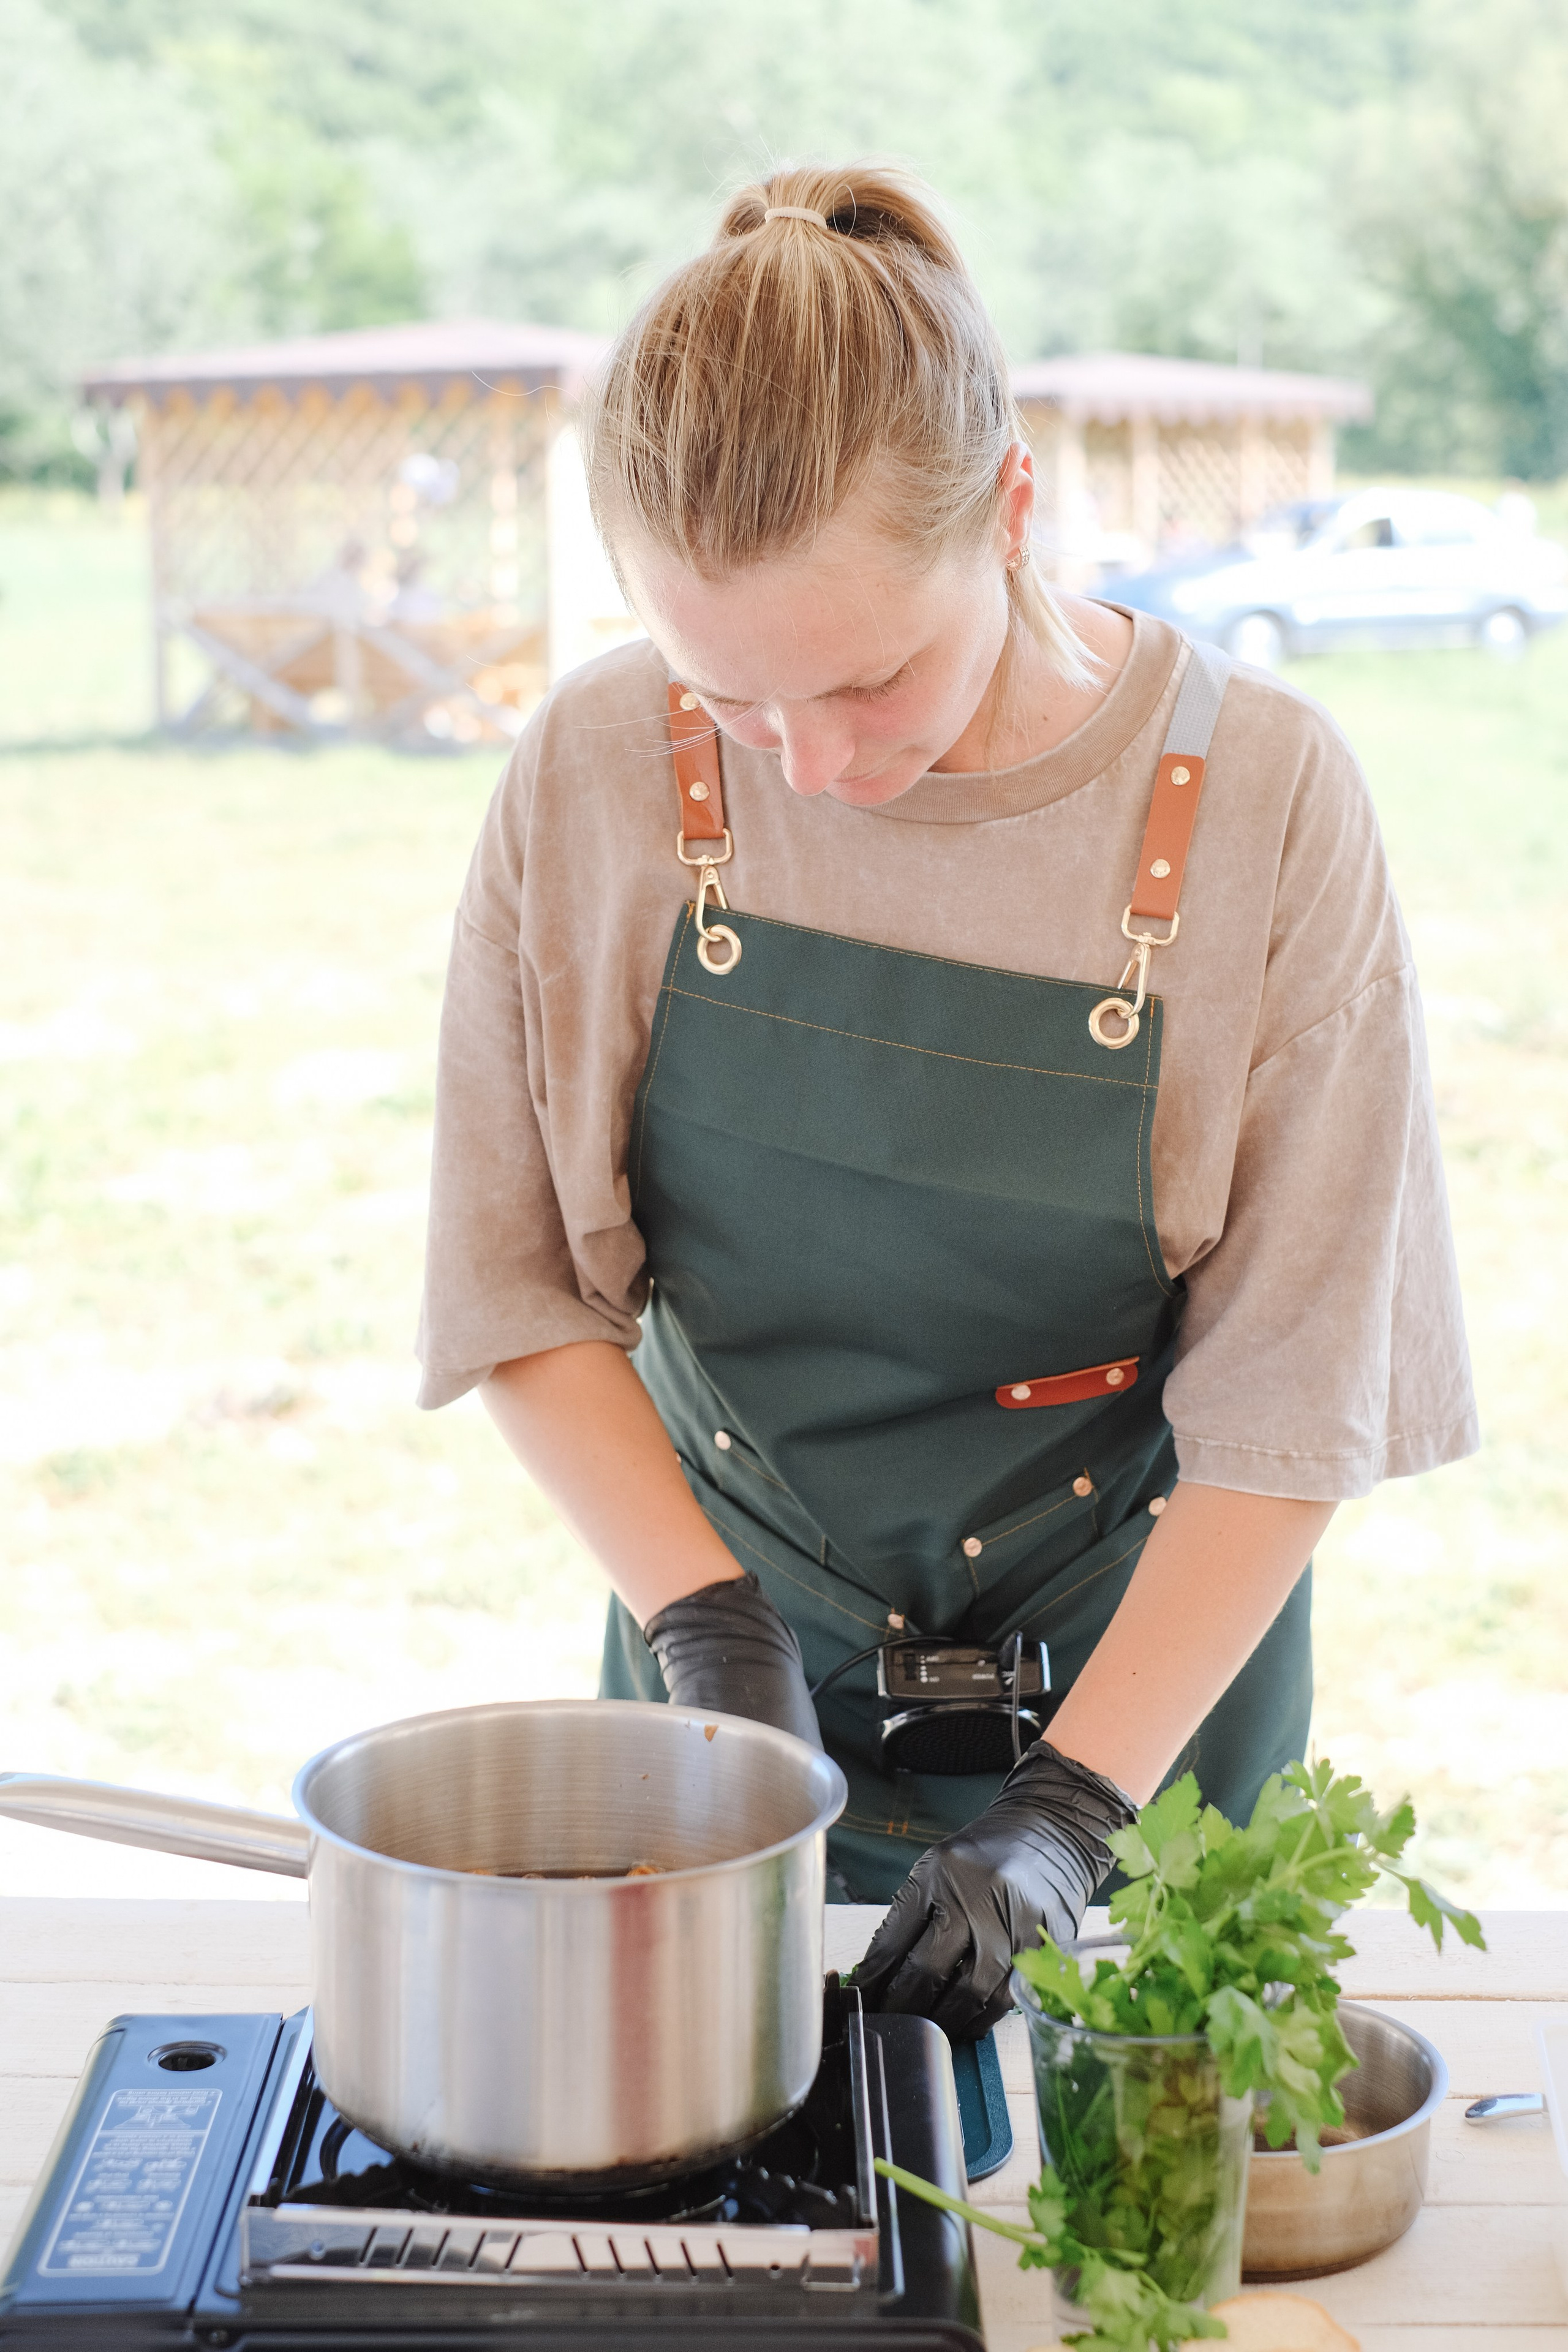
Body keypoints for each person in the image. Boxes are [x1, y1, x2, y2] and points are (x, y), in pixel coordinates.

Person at [416, 166, 1476, 2040]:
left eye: (869, 678)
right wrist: (712, 1635)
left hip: (1148, 1696)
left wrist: (1071, 1815)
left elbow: (1298, 1396)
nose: (812, 768)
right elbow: (514, 1290)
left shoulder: (1267, 805)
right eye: (730, 700)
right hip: (727, 1653)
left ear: (1012, 509)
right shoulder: (592, 766)